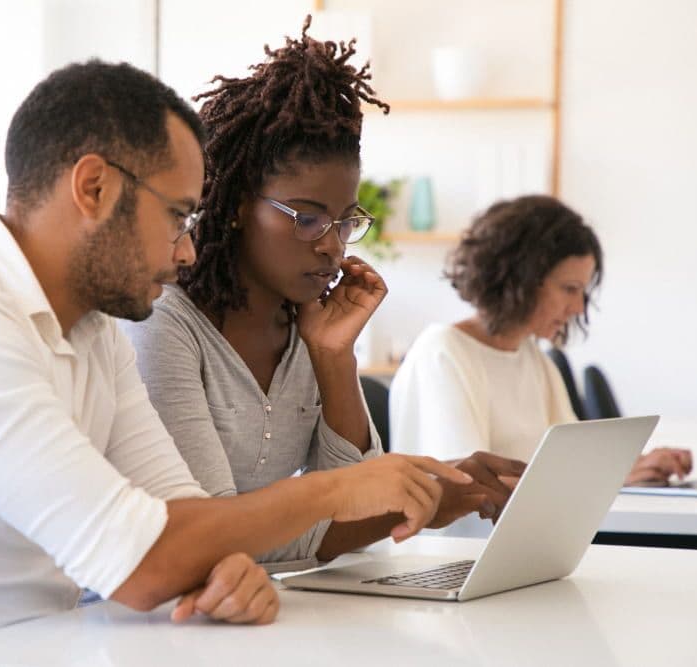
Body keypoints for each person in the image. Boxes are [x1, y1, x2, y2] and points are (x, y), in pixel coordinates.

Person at [0, 60, 474, 666]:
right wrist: (335, 491)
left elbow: (186, 519)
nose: (188, 252)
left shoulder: (96, 333)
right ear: (93, 188)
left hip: (43, 646)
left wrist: (226, 570)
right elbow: (144, 562)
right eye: (178, 215)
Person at [123, 18, 525, 573]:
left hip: (248, 616)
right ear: (238, 204)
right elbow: (211, 535)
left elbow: (360, 501)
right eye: (307, 219)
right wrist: (421, 503)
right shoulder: (163, 324)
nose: (332, 248)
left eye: (345, 222)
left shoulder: (306, 327)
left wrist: (334, 357)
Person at [390, 194, 692, 486]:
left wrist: (639, 465)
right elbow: (471, 486)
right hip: (469, 538)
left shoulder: (532, 357)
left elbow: (577, 462)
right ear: (521, 280)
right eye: (570, 289)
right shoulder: (442, 352)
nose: (578, 308)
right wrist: (608, 477)